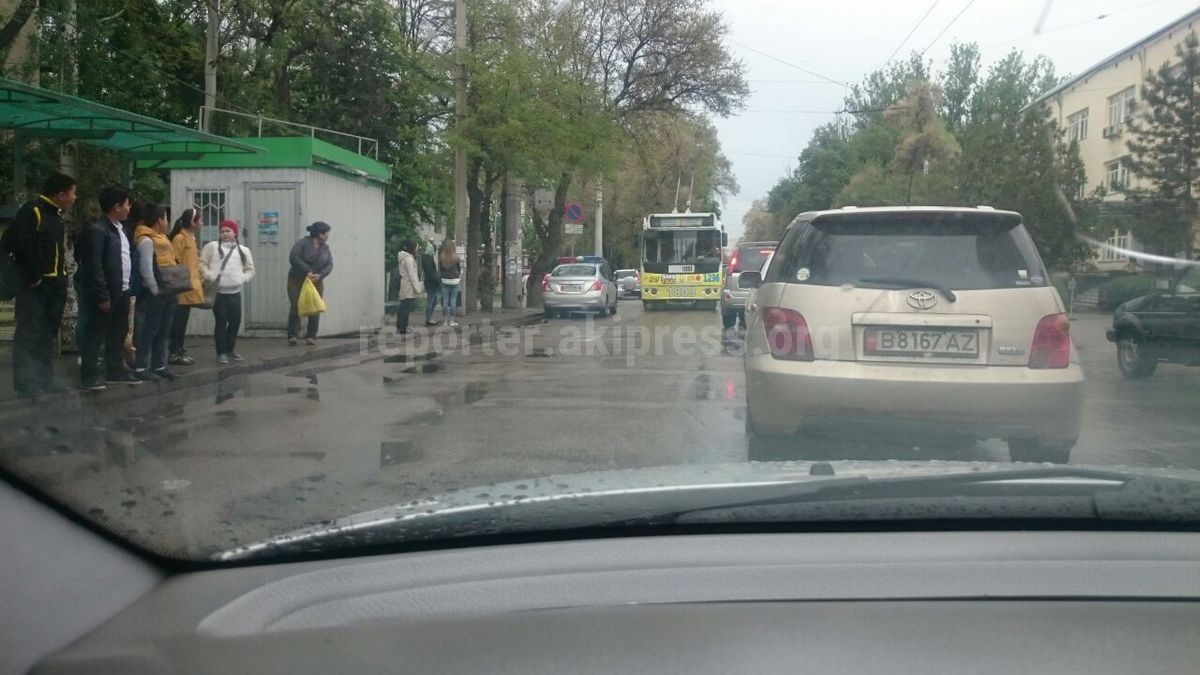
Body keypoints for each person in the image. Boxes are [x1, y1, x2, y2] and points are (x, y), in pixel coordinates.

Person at [6, 173, 76, 397]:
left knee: (47, 333)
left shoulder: (56, 217)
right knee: (29, 333)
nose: (75, 198)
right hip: (36, 285)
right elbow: (20, 243)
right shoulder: (33, 211)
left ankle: (45, 379)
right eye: (72, 193)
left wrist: (62, 278)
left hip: (55, 284)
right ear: (61, 194)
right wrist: (34, 275)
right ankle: (26, 385)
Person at [73, 186, 142, 390]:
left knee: (117, 333)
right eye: (128, 203)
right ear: (117, 206)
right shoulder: (98, 230)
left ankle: (114, 371)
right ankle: (89, 376)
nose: (130, 208)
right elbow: (94, 264)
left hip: (123, 290)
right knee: (95, 334)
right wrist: (102, 294)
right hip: (106, 293)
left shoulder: (122, 230)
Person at [133, 203, 181, 381]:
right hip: (156, 291)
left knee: (164, 330)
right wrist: (155, 290)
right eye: (166, 218)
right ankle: (141, 367)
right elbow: (146, 268)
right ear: (159, 219)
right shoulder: (146, 240)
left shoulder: (162, 237)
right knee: (149, 329)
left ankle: (159, 365)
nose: (167, 221)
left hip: (168, 289)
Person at [199, 220, 255, 365]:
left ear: (235, 233)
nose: (224, 234)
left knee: (235, 322)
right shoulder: (211, 247)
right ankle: (221, 352)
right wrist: (209, 275)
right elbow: (202, 263)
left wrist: (243, 278)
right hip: (219, 293)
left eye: (227, 231)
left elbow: (250, 269)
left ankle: (230, 350)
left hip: (235, 293)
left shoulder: (243, 250)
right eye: (222, 231)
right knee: (221, 322)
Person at [168, 207, 205, 365]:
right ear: (192, 222)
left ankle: (179, 350)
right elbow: (173, 260)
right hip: (181, 288)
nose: (202, 223)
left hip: (189, 286)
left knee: (182, 322)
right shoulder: (179, 238)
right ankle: (174, 353)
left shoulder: (191, 237)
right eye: (200, 220)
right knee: (177, 323)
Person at [287, 221, 333, 345]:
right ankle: (292, 335)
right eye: (326, 234)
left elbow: (329, 265)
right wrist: (307, 270)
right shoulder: (302, 244)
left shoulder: (325, 248)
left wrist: (320, 275)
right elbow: (293, 258)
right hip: (297, 280)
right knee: (296, 305)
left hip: (316, 281)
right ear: (319, 234)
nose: (327, 236)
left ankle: (311, 336)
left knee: (315, 307)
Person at [395, 240, 421, 334]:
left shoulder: (403, 258)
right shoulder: (409, 259)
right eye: (416, 248)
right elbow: (412, 275)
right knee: (406, 308)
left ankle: (400, 325)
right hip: (409, 286)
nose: (417, 250)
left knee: (403, 306)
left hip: (404, 284)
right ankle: (404, 327)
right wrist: (418, 289)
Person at [438, 240, 461, 327]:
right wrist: (458, 276)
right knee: (453, 301)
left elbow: (440, 269)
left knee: (445, 301)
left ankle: (445, 321)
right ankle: (451, 321)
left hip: (445, 280)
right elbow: (459, 269)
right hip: (454, 280)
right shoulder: (456, 257)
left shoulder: (442, 257)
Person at [421, 242, 441, 326]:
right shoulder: (428, 259)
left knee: (434, 301)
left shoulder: (426, 258)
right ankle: (428, 319)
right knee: (431, 301)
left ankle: (429, 318)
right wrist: (438, 280)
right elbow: (431, 273)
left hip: (430, 282)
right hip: (431, 283)